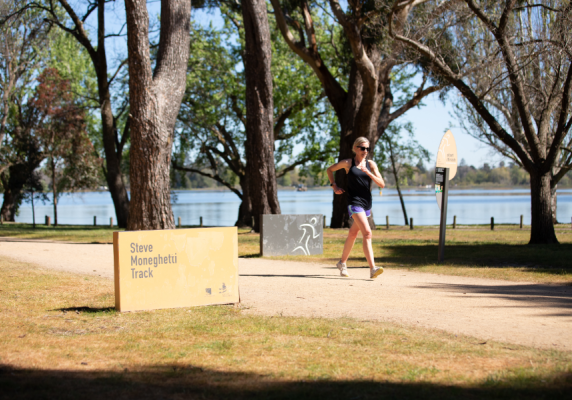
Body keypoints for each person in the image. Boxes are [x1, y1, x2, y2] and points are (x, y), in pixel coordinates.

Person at [326, 137, 385, 279]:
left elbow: (382, 184)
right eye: (362, 148)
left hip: (367, 204)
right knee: (367, 233)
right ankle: (372, 268)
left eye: (367, 148)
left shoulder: (371, 164)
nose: (365, 151)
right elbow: (330, 169)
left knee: (353, 234)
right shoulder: (348, 163)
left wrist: (368, 172)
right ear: (355, 148)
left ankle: (342, 263)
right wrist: (334, 185)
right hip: (354, 203)